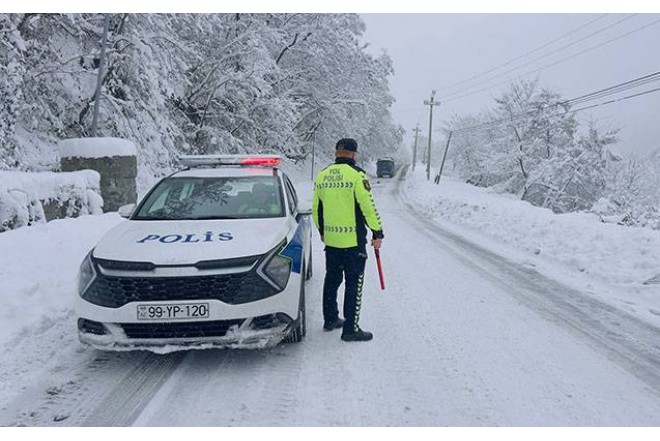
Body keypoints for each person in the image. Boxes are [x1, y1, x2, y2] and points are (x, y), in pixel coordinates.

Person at [312, 138, 384, 342]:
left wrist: (323, 232)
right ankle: (350, 329)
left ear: (336, 152)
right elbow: (368, 207)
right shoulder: (357, 176)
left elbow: (316, 209)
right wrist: (377, 232)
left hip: (332, 241)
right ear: (354, 154)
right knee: (353, 284)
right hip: (353, 243)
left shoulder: (322, 175)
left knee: (332, 279)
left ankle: (330, 319)